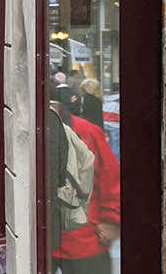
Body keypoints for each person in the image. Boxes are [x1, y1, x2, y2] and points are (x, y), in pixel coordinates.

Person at [49, 88, 121, 274]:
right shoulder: (34, 133)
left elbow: (111, 180)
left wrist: (112, 221)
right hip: (45, 240)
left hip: (85, 240)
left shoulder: (88, 131)